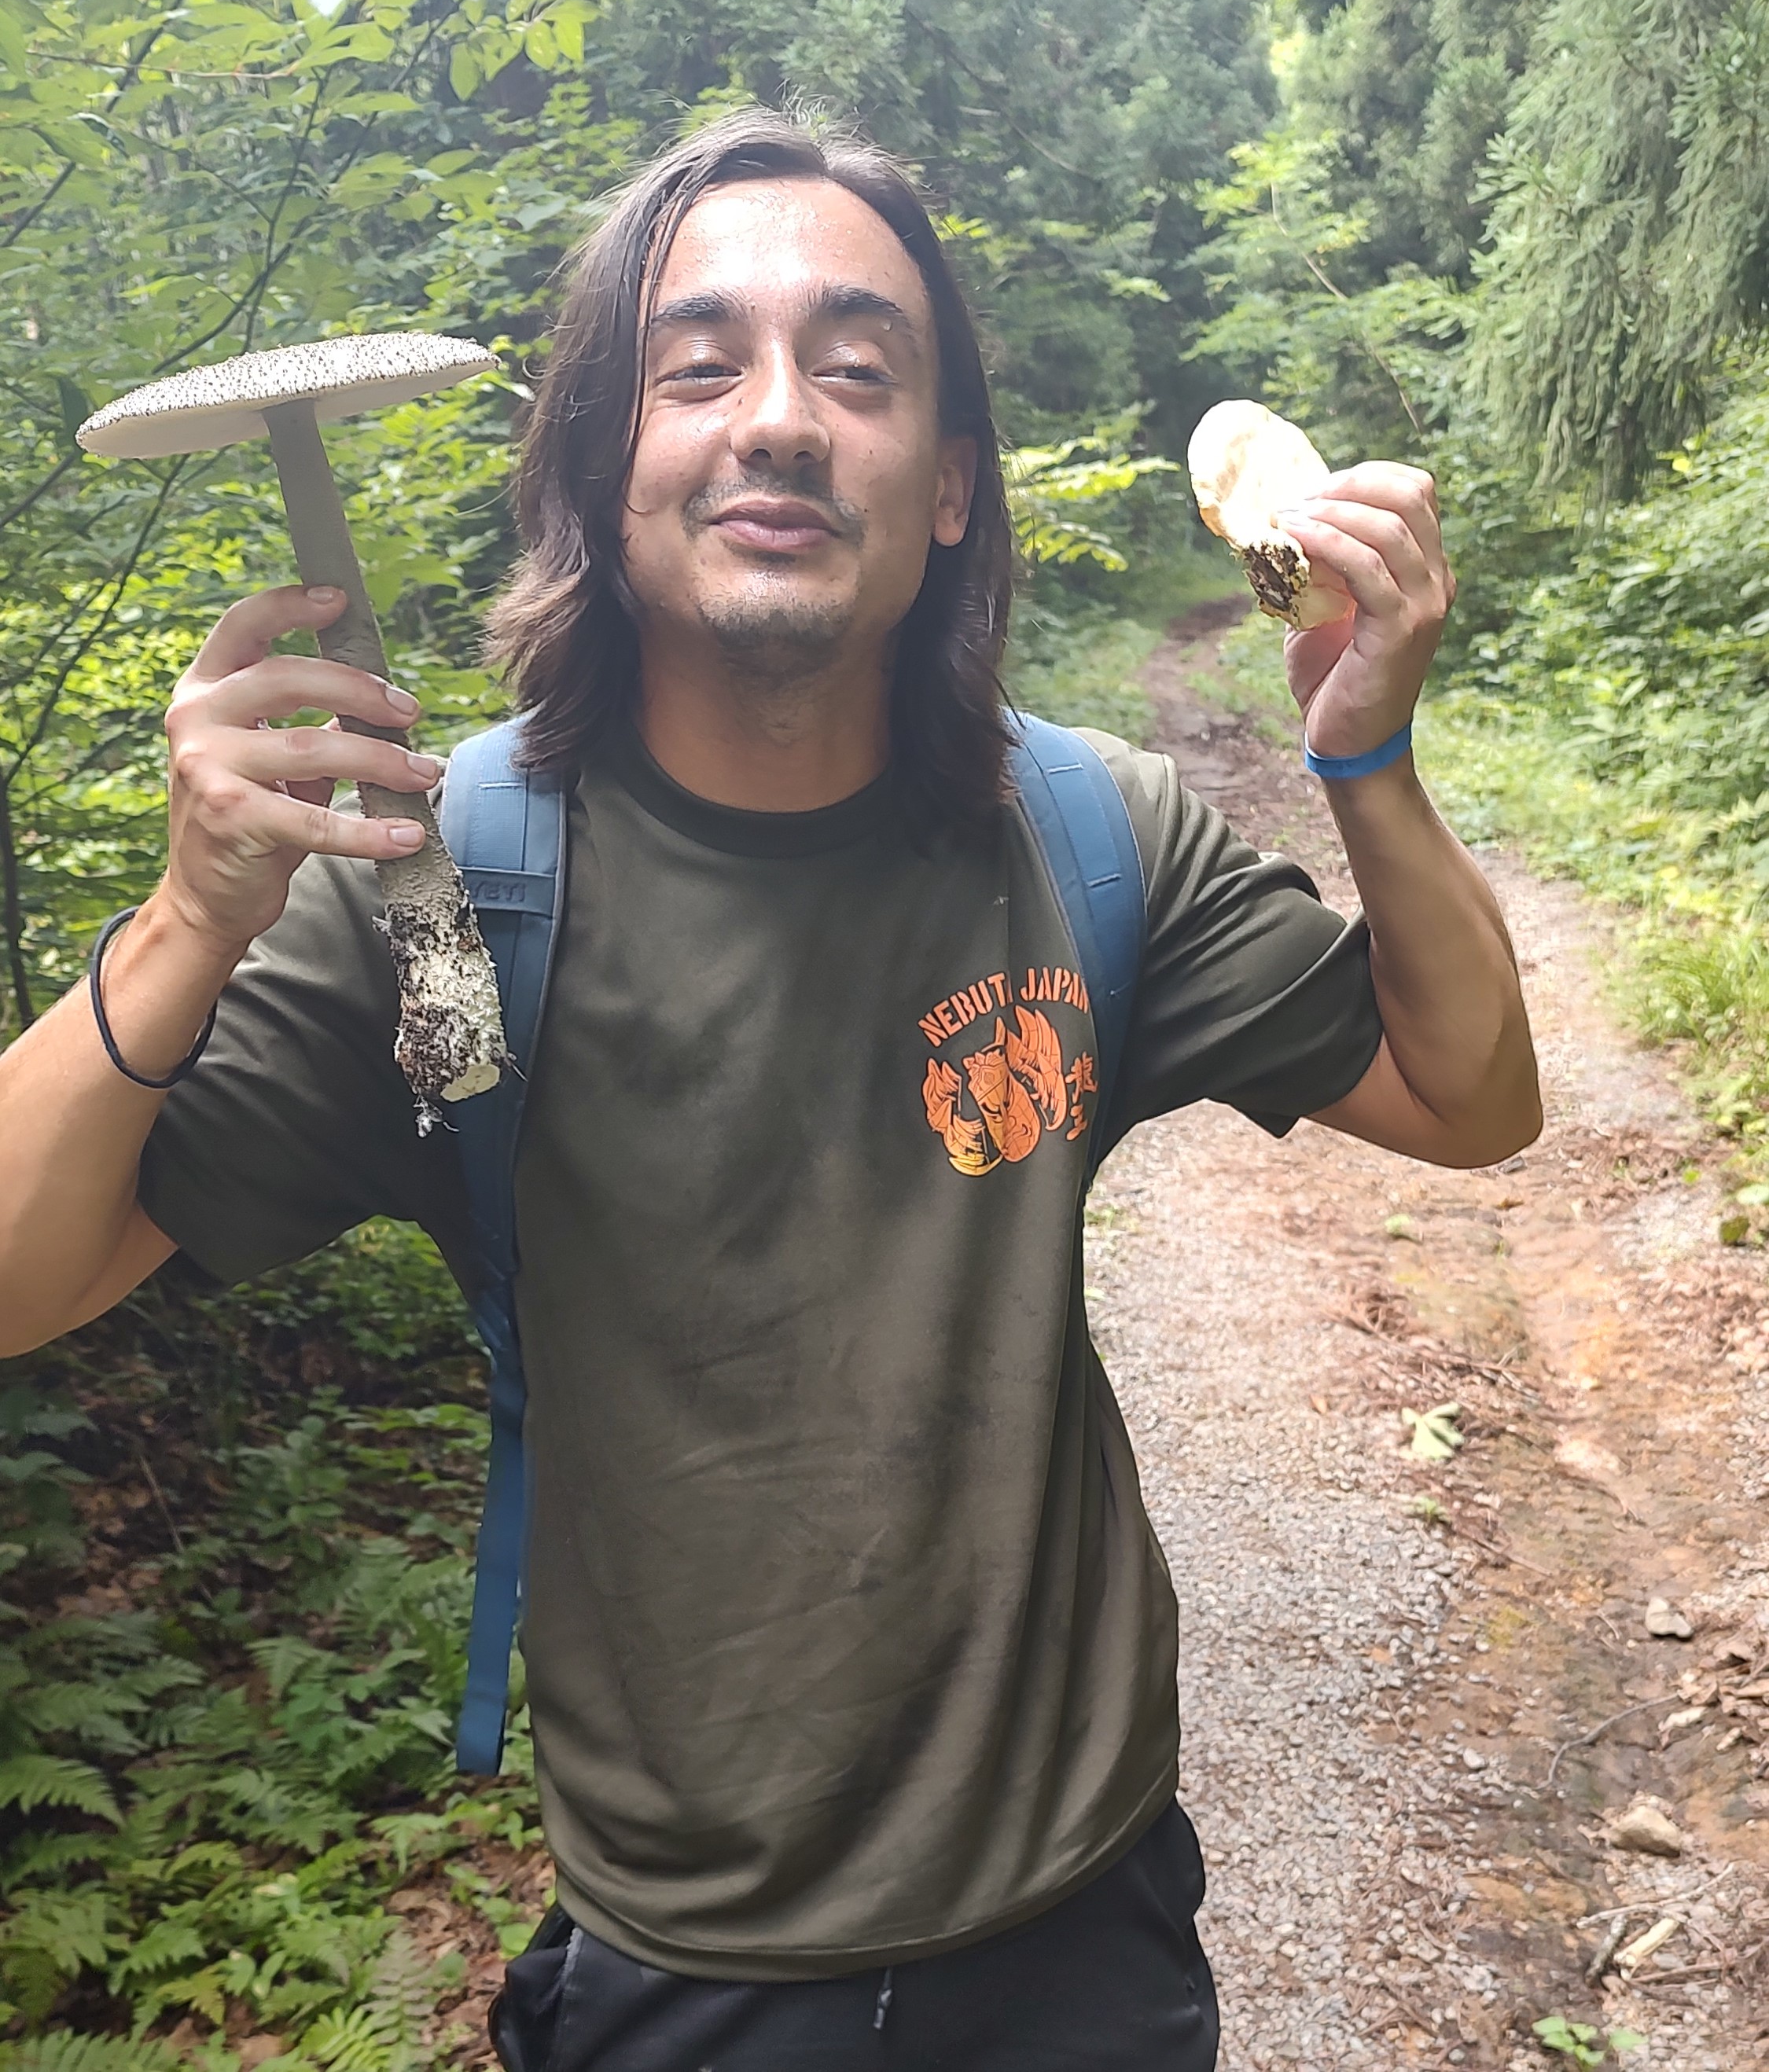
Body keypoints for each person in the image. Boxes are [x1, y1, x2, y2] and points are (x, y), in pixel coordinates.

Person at [0, 109, 1539, 2070]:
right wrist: (184, 922)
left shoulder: (1082, 838)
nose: (784, 419)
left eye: (861, 368)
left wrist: (1367, 757)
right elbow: (22, 1278)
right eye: (699, 366)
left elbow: (1471, 1096)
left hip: (1088, 1923)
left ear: (954, 485)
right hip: (686, 1965)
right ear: (603, 473)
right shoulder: (438, 897)